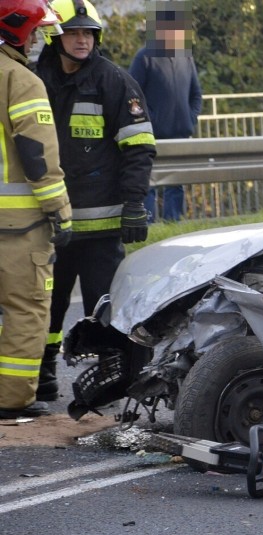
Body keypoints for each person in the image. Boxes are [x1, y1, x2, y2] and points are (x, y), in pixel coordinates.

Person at [34, 0, 155, 401]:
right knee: (47, 306)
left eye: (88, 32)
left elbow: (139, 148)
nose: (83, 39)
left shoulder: (114, 82)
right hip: (52, 223)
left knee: (104, 309)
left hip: (102, 227)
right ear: (56, 36)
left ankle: (108, 379)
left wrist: (135, 205)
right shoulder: (36, 80)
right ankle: (45, 371)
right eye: (74, 32)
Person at [0, 0, 72, 418]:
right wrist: (59, 211)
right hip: (18, 225)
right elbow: (37, 154)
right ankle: (11, 400)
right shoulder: (20, 80)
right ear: (15, 31)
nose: (37, 42)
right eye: (35, 33)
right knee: (25, 309)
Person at [130, 0, 201, 222]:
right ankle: (148, 224)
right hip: (152, 136)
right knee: (149, 184)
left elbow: (196, 94)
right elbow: (133, 95)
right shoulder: (144, 57)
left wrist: (190, 118)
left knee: (176, 184)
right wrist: (146, 122)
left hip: (181, 134)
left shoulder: (185, 56)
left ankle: (174, 223)